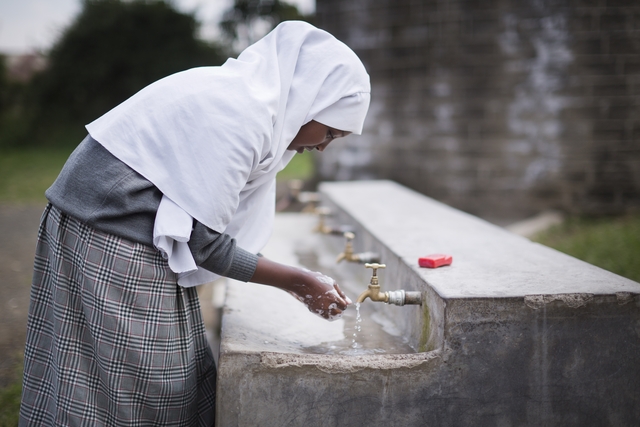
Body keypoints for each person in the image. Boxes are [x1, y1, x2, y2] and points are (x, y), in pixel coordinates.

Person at [19, 21, 370, 426]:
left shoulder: (252, 105)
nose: (322, 146)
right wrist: (301, 282)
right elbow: (207, 245)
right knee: (145, 381)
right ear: (308, 101)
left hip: (125, 223)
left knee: (164, 369)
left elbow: (206, 230)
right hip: (106, 226)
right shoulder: (240, 116)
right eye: (328, 131)